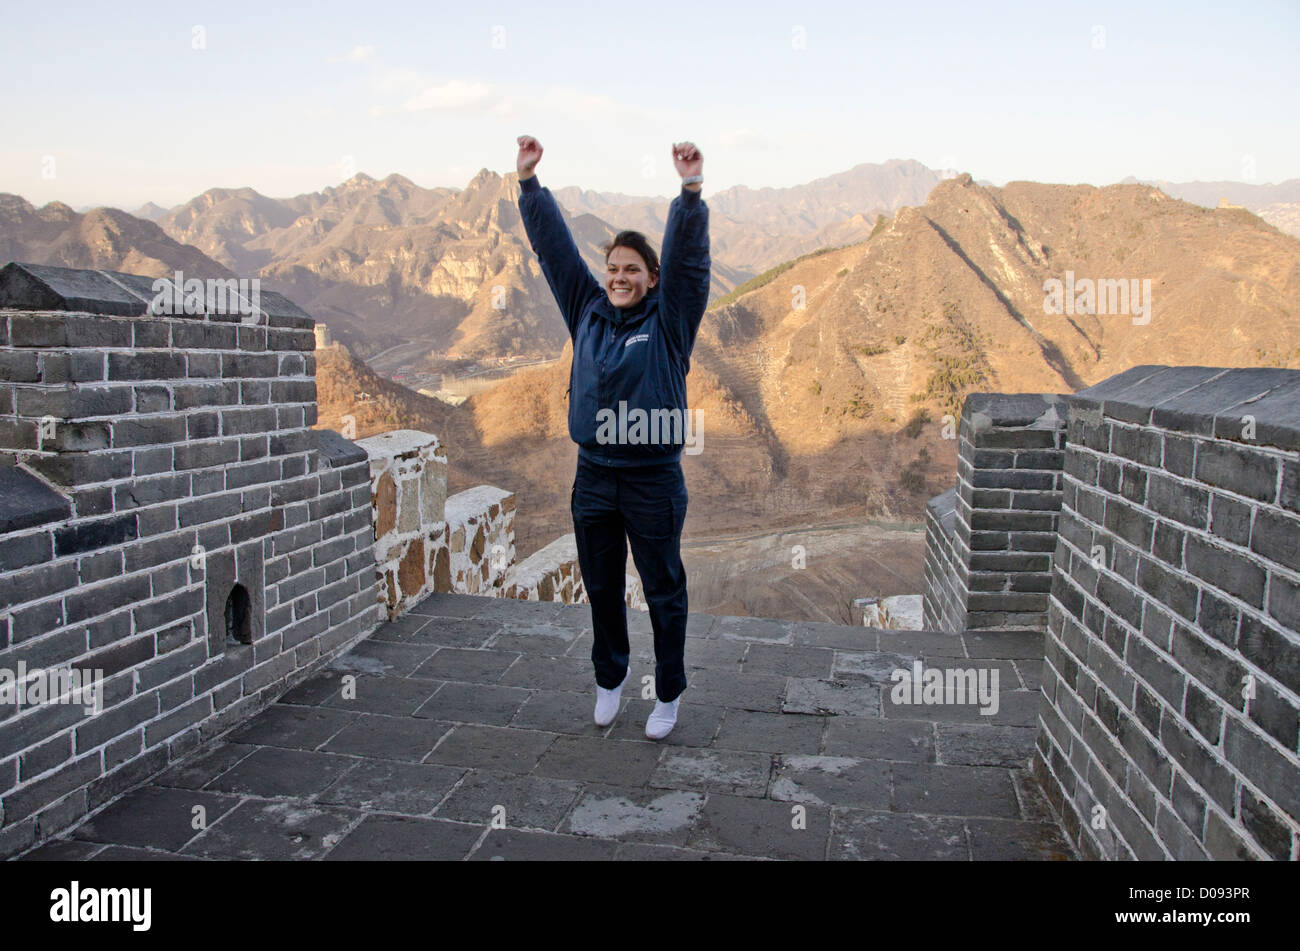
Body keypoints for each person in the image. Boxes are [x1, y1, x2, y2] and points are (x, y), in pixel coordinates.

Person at [515, 134, 710, 739]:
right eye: (613, 270)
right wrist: (527, 185)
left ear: (651, 279)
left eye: (632, 270)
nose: (620, 277)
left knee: (662, 589)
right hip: (594, 474)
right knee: (600, 584)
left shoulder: (671, 319)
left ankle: (669, 695)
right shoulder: (587, 310)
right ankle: (610, 679)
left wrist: (690, 194)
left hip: (652, 480)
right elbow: (555, 253)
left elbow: (690, 263)